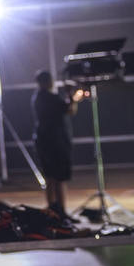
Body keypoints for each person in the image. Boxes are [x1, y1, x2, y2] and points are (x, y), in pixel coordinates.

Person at [31, 69, 84, 218]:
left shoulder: (38, 98)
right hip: (56, 143)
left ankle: (54, 209)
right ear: (49, 81)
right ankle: (61, 210)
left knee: (50, 177)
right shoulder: (49, 98)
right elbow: (70, 109)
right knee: (60, 178)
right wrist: (70, 94)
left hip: (43, 142)